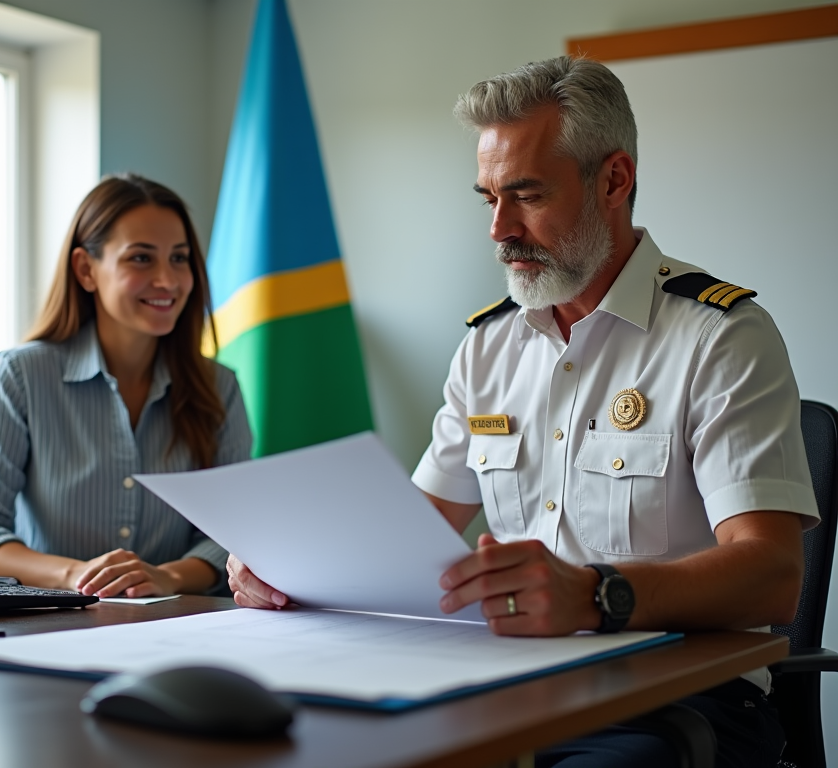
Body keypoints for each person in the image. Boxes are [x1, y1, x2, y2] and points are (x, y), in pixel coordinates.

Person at [227, 57, 819, 767]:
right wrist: (293, 565)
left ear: (613, 180)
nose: (499, 229)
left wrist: (598, 596)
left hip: (676, 701)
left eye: (527, 195)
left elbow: (772, 575)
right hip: (502, 686)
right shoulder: (487, 348)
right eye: (489, 199)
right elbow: (408, 541)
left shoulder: (719, 336)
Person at [0, 174, 251, 598]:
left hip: (177, 624)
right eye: (141, 259)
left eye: (179, 259)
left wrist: (168, 577)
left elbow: (236, 534)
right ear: (87, 270)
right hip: (46, 627)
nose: (167, 279)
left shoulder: (220, 387)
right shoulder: (21, 376)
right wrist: (75, 575)